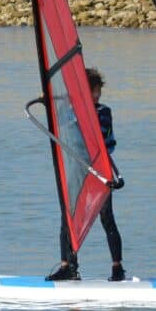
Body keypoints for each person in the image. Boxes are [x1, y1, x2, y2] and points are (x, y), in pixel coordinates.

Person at [46, 67, 125, 283]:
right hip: (78, 170)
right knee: (68, 216)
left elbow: (103, 138)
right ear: (84, 92)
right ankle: (68, 267)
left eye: (99, 91)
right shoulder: (69, 112)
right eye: (94, 91)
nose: (98, 95)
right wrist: (55, 99)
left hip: (100, 171)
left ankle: (117, 268)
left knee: (107, 219)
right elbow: (57, 121)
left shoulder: (103, 112)